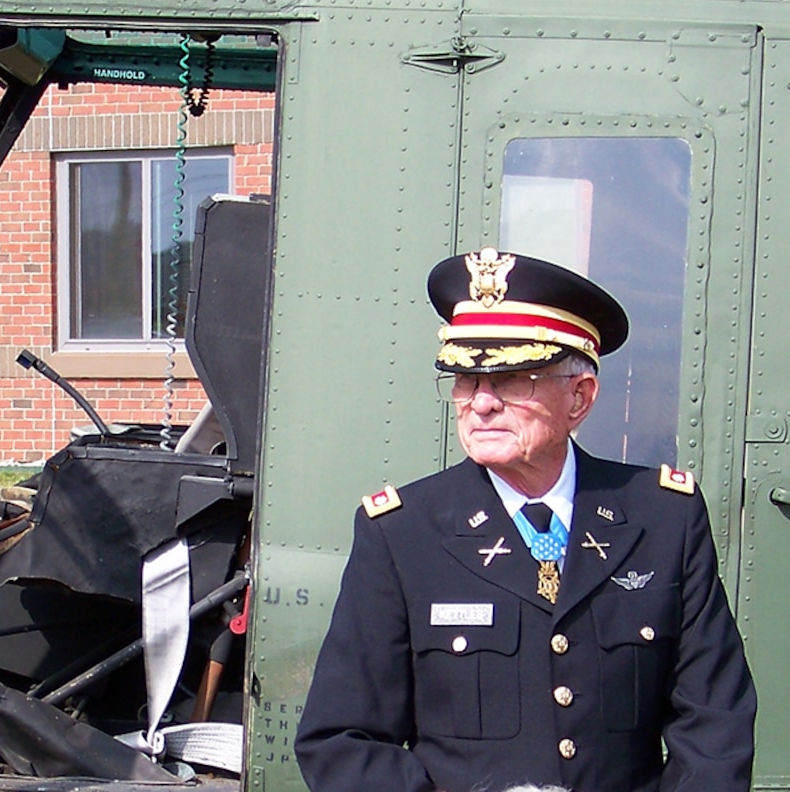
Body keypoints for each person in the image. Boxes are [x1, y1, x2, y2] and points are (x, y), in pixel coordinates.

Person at [295, 247, 755, 792]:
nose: (481, 403)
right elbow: (341, 741)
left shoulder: (662, 519)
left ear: (579, 397)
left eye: (513, 379)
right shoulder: (402, 532)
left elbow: (714, 725)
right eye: (466, 380)